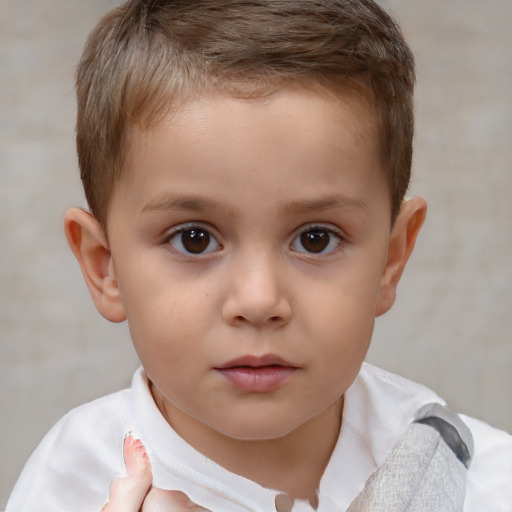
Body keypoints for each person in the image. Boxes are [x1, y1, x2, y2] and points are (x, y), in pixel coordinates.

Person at [6, 0, 512, 511]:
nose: (258, 299)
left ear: (390, 258)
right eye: (194, 239)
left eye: (316, 238)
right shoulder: (68, 487)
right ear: (104, 266)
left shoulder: (473, 477)